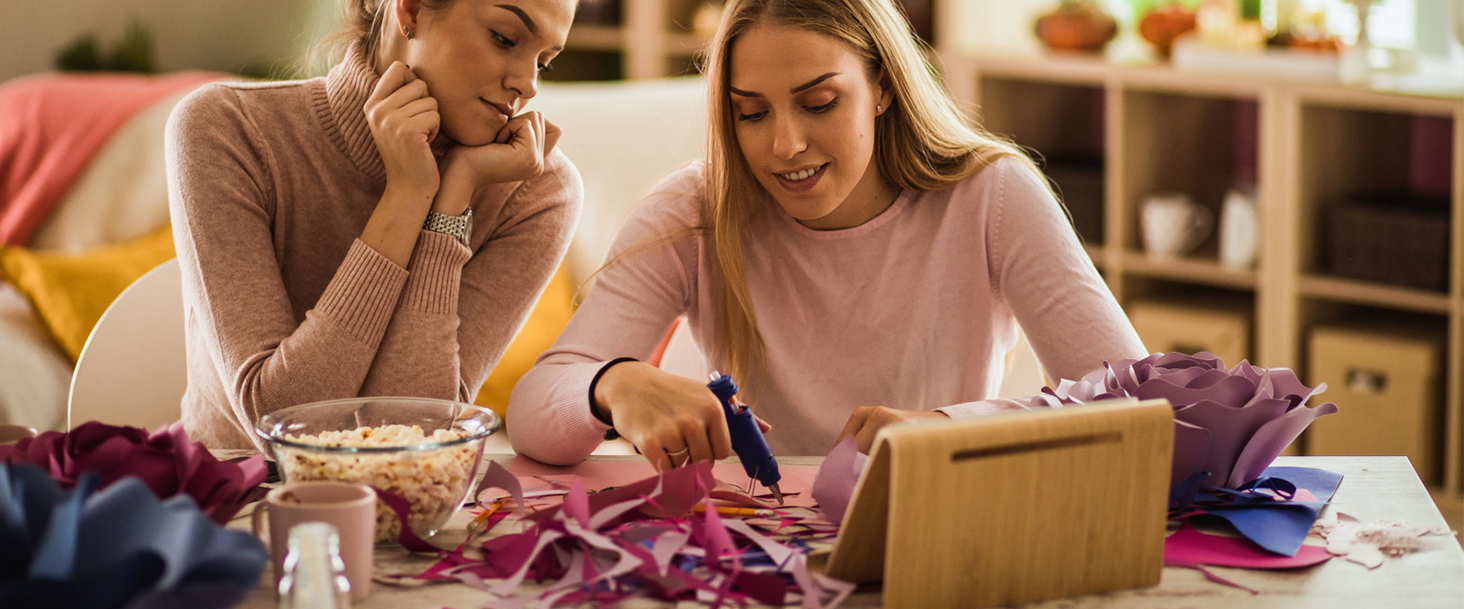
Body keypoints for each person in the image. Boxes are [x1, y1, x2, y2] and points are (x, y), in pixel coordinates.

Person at [507, 0, 1146, 470]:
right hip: (754, 544)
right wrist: (610, 383)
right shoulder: (693, 211)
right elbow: (533, 414)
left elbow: (1141, 407)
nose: (785, 146)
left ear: (883, 89)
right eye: (751, 113)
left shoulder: (991, 195)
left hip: (930, 526)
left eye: (819, 104)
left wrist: (954, 427)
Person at [166, 0, 581, 450]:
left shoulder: (535, 190)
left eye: (544, 61)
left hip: (410, 513)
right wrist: (406, 192)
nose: (528, 84)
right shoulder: (227, 130)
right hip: (223, 503)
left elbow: (418, 440)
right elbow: (283, 430)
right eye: (504, 38)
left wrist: (451, 200)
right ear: (413, 10)